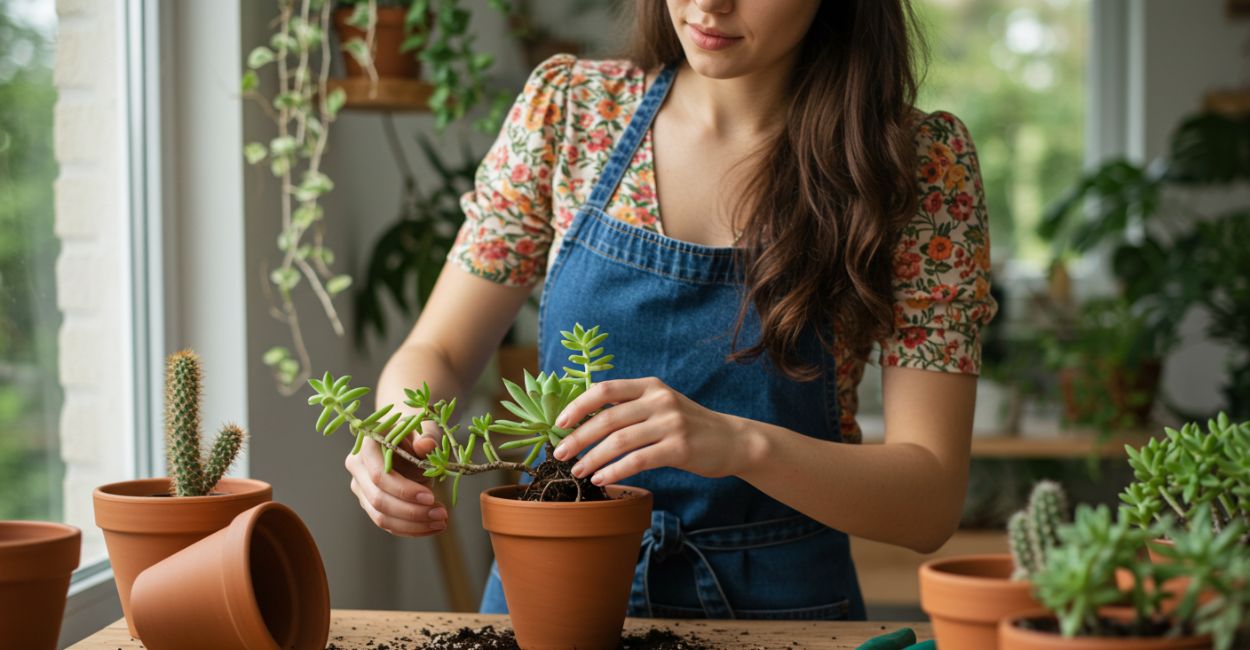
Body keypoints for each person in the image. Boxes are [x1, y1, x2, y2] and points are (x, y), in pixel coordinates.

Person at [347, 0, 997, 620]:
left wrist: (740, 444)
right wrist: (404, 429)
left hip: (784, 612)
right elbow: (440, 352)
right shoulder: (572, 112)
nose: (709, 5)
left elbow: (929, 501)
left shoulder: (916, 166)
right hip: (552, 591)